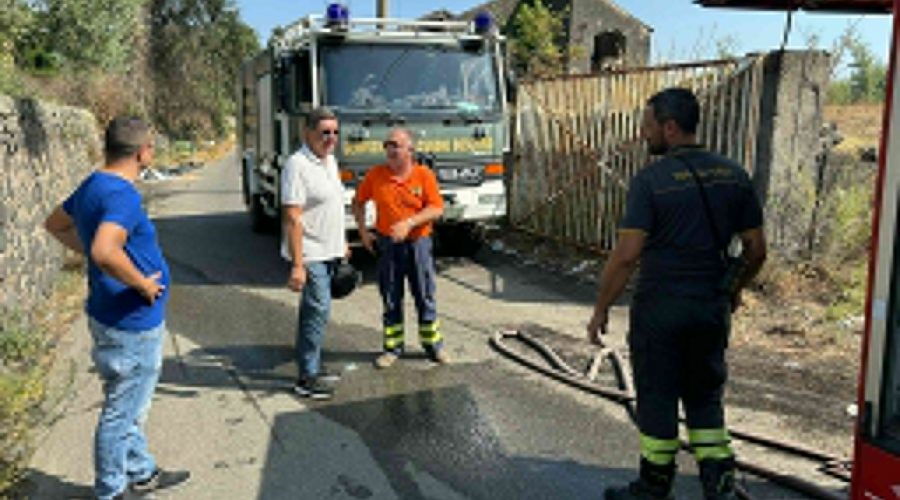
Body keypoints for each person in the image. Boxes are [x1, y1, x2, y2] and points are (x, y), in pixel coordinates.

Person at [586, 88, 767, 500]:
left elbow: (627, 256)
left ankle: (653, 487)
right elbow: (756, 250)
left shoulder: (651, 181)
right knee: (705, 397)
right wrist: (732, 290)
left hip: (661, 310)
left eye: (647, 125)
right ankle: (719, 484)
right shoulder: (734, 175)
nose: (643, 133)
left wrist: (601, 309)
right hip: (710, 306)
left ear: (669, 128)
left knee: (657, 395)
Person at [43, 116, 189, 500]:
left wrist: (96, 258)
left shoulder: (93, 184)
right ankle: (111, 490)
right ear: (143, 152)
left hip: (109, 314)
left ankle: (140, 471)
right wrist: (141, 282)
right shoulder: (122, 195)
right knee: (122, 413)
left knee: (127, 402)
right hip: (131, 322)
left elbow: (55, 224)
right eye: (151, 146)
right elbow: (105, 250)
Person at [352, 128, 448, 369]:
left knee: (424, 295)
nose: (391, 150)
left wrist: (409, 223)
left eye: (396, 145)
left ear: (410, 150)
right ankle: (392, 348)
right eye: (388, 145)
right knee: (391, 296)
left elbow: (436, 208)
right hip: (388, 244)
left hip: (418, 244)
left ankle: (433, 346)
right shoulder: (376, 175)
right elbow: (358, 202)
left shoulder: (423, 175)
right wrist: (363, 231)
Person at [281, 107, 347, 400]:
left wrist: (342, 243)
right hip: (310, 252)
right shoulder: (297, 165)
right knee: (318, 309)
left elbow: (333, 205)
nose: (331, 138)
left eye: (335, 132)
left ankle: (313, 366)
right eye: (325, 132)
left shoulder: (329, 160)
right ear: (307, 133)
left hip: (330, 249)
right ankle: (306, 377)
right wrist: (298, 265)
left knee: (316, 311)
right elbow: (293, 217)